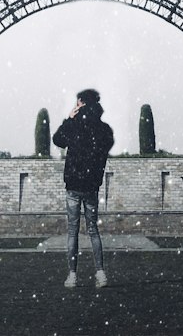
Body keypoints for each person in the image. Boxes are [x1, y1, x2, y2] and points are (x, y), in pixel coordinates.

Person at [52, 88, 114, 289]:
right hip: (91, 186)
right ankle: (100, 273)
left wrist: (69, 119)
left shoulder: (74, 125)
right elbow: (105, 150)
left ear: (80, 103)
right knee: (93, 230)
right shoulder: (104, 129)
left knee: (72, 232)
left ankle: (72, 275)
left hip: (73, 185)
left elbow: (57, 140)